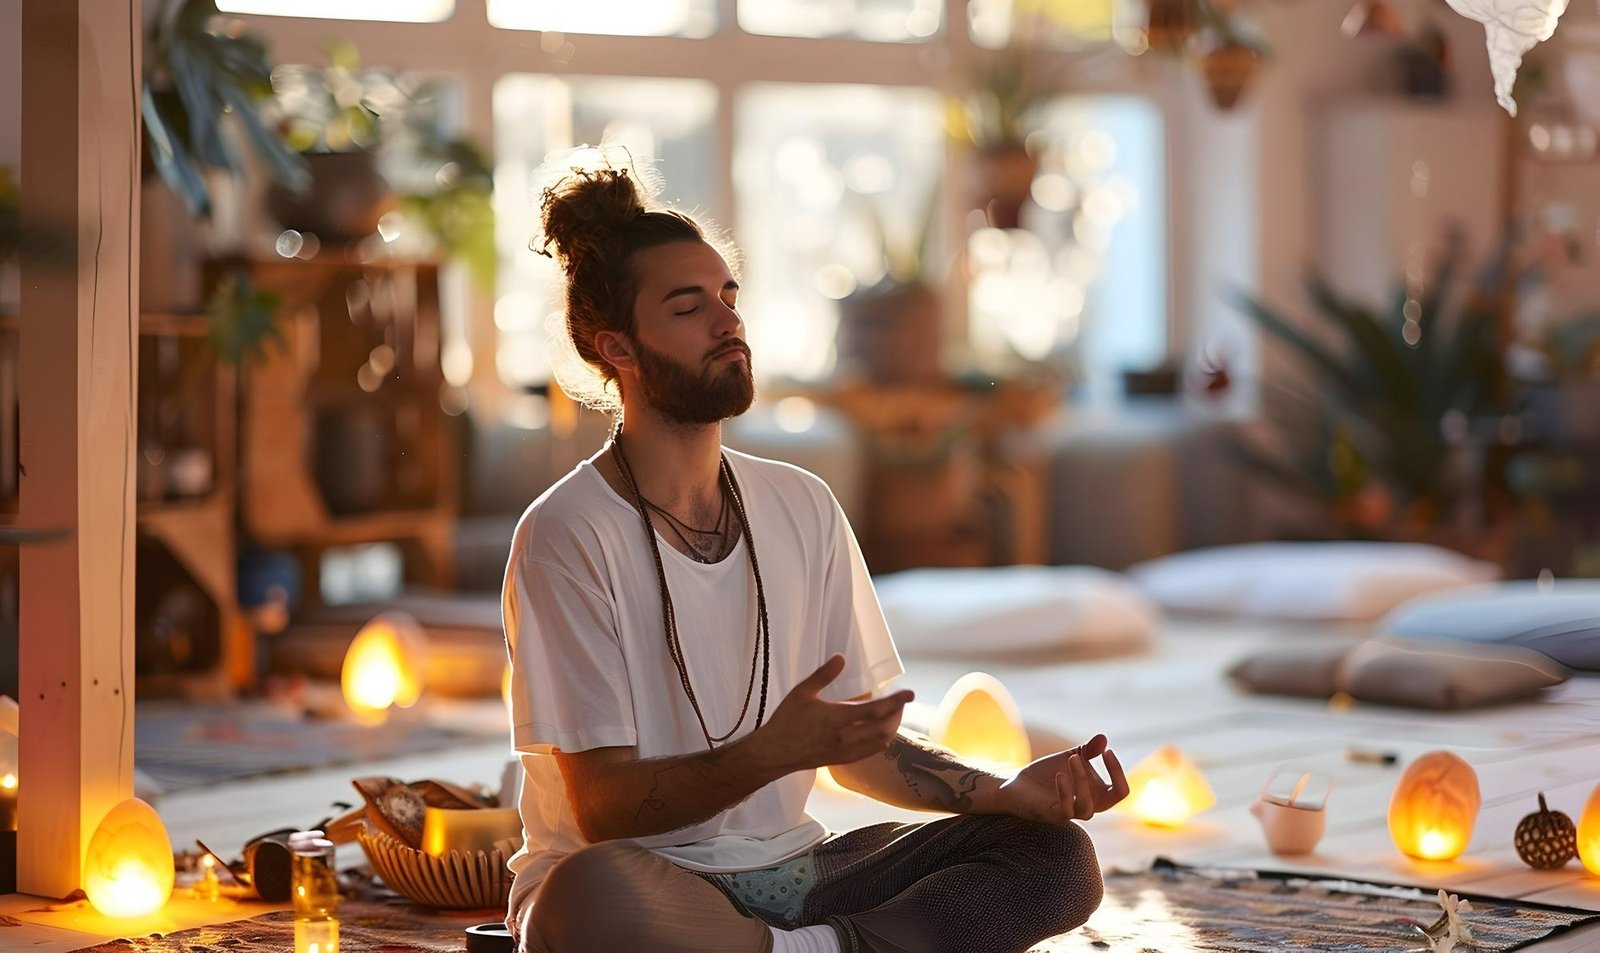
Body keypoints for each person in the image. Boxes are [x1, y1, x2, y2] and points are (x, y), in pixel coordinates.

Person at [502, 154, 1129, 953]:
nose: (728, 324)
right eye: (689, 307)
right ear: (616, 347)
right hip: (646, 881)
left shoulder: (802, 504)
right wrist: (770, 752)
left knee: (1055, 858)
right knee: (581, 899)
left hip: (797, 876)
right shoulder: (566, 533)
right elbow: (606, 811)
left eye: (729, 298)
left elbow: (860, 750)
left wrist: (1005, 789)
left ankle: (821, 949)